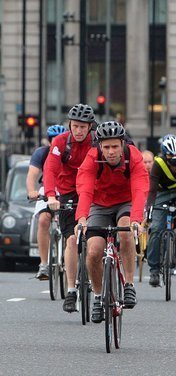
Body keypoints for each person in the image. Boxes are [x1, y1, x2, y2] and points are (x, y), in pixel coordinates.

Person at [75, 121, 149, 323]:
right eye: (106, 147)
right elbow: (85, 189)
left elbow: (141, 188)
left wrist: (136, 220)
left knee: (125, 231)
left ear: (122, 144)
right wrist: (82, 218)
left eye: (115, 146)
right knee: (93, 251)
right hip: (99, 204)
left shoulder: (133, 155)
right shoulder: (92, 158)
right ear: (99, 146)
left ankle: (129, 285)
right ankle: (98, 298)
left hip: (126, 202)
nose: (111, 152)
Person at [43, 103, 96, 313]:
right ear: (70, 125)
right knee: (71, 240)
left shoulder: (97, 141)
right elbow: (50, 169)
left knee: (96, 240)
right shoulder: (60, 142)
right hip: (68, 193)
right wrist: (50, 195)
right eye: (75, 126)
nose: (79, 130)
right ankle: (72, 289)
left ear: (90, 127)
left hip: (92, 191)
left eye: (83, 126)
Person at [145, 134, 176, 287]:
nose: (174, 158)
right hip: (161, 193)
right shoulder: (158, 163)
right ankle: (154, 270)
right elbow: (152, 189)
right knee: (155, 229)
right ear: (164, 154)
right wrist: (149, 209)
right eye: (170, 155)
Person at [26, 124, 68, 280]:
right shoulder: (41, 153)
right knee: (44, 220)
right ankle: (44, 264)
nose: (55, 142)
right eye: (52, 140)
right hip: (47, 189)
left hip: (67, 189)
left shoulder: (70, 152)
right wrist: (32, 191)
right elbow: (32, 174)